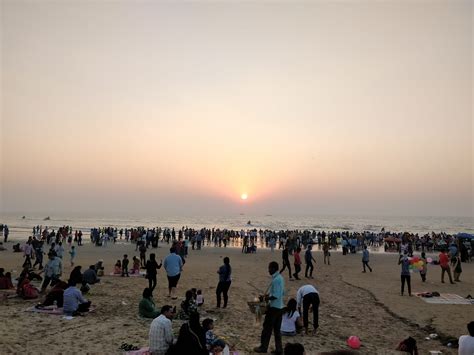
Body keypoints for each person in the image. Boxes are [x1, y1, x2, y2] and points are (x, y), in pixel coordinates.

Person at [254, 261, 285, 354]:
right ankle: (279, 349)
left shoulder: (276, 280)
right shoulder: (280, 278)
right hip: (280, 307)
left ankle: (263, 347)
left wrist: (264, 298)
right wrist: (267, 295)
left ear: (274, 268)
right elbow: (281, 293)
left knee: (267, 328)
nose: (268, 270)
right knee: (277, 330)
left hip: (274, 308)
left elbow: (276, 295)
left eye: (269, 268)